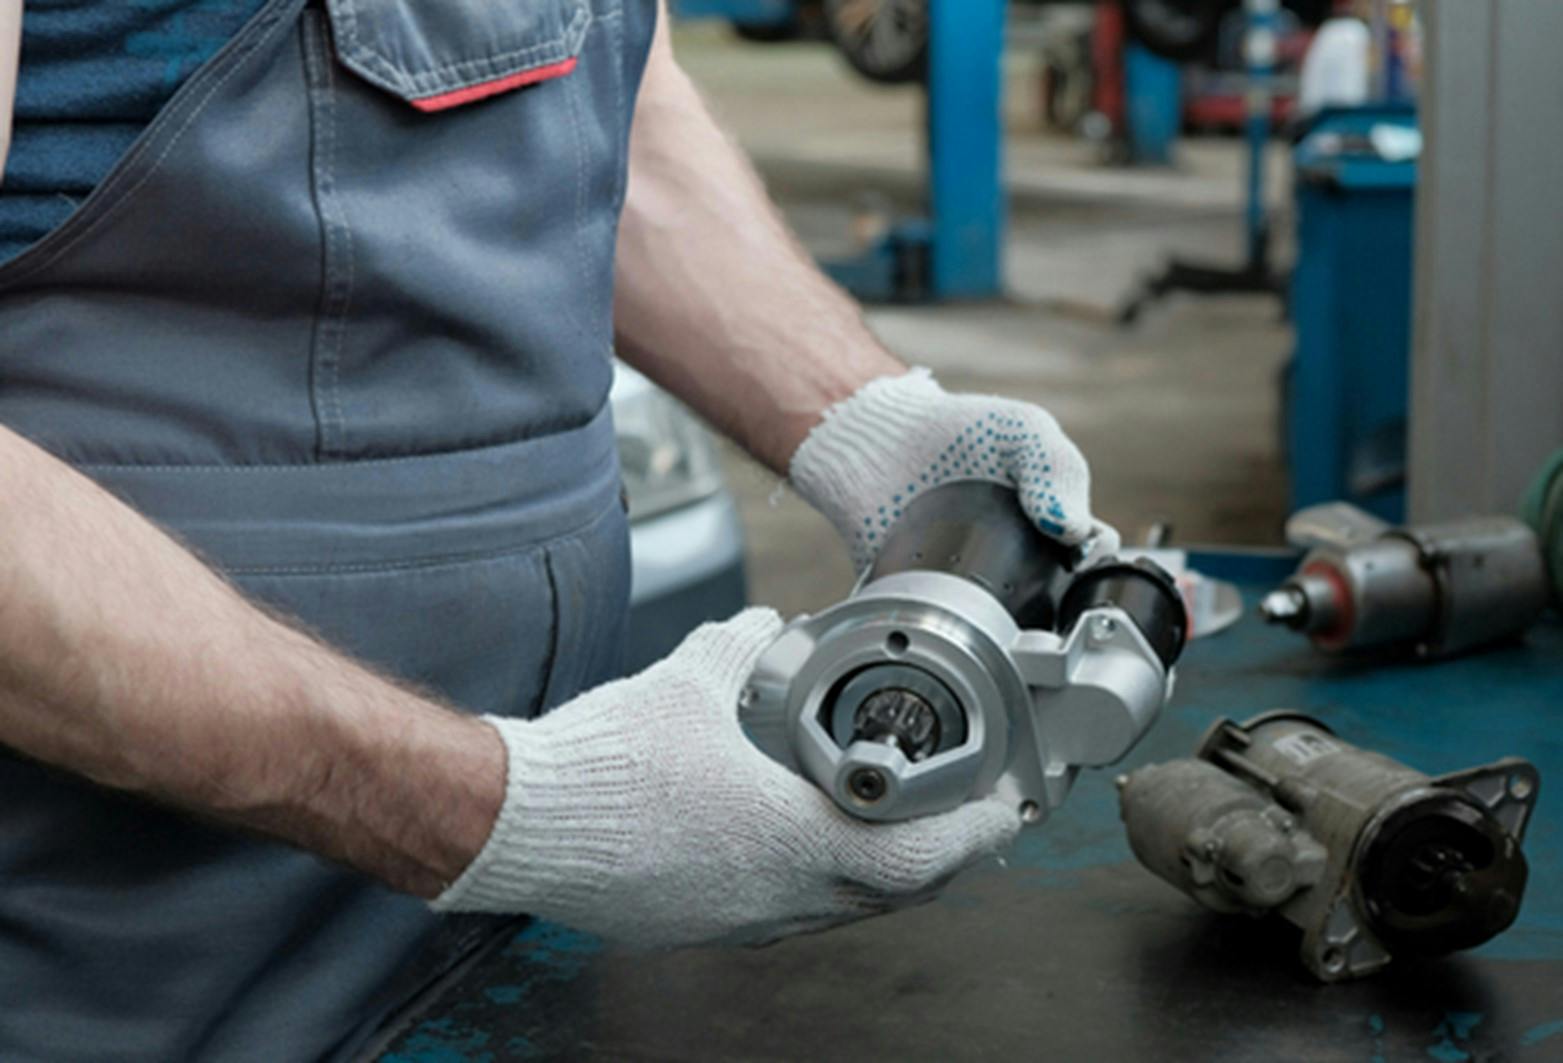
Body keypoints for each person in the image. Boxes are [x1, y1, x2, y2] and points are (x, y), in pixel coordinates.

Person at [0, 1, 1107, 1058]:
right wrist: (499, 811)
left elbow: (613, 105)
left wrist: (872, 422)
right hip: (127, 940)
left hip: (509, 917)